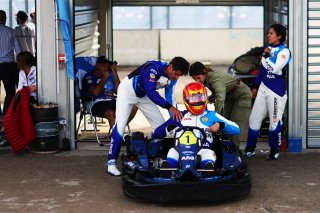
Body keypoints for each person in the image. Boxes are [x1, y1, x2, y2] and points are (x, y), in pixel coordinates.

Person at [107, 56, 190, 176]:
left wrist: (175, 117)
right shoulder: (154, 67)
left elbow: (170, 97)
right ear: (170, 67)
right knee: (120, 126)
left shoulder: (174, 77)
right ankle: (111, 163)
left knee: (161, 128)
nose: (176, 77)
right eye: (176, 74)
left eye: (179, 76)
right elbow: (151, 91)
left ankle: (153, 154)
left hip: (144, 96)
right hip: (127, 92)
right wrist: (169, 107)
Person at [152, 82, 240, 169]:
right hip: (181, 151)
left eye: (200, 98)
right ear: (186, 99)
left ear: (205, 98)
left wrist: (220, 125)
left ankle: (206, 172)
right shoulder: (179, 116)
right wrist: (170, 128)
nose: (197, 102)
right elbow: (156, 134)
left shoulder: (212, 115)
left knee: (209, 154)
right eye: (193, 99)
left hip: (204, 149)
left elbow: (236, 129)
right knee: (172, 151)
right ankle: (168, 169)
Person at [245, 24, 291, 160]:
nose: (268, 35)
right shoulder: (268, 49)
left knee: (274, 122)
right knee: (254, 119)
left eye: (271, 33)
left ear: (279, 36)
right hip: (263, 88)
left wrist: (265, 57)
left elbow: (275, 69)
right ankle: (250, 149)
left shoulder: (284, 51)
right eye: (268, 33)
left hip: (276, 91)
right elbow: (262, 70)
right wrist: (255, 85)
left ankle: (274, 150)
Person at [189, 62, 252, 148]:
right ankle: (225, 148)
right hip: (230, 96)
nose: (197, 81)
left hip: (242, 96)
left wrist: (214, 117)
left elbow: (220, 99)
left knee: (233, 124)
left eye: (198, 78)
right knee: (224, 121)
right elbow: (219, 92)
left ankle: (235, 151)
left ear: (204, 73)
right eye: (195, 79)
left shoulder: (215, 79)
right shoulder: (206, 78)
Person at [81, 56, 120, 129]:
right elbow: (95, 93)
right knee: (111, 113)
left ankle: (118, 132)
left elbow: (119, 92)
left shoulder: (110, 75)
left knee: (130, 106)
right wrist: (104, 78)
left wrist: (115, 73)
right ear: (97, 65)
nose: (105, 68)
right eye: (103, 65)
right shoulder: (89, 76)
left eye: (107, 66)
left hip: (111, 101)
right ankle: (115, 137)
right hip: (96, 103)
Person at [0, 10, 22, 115]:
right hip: (8, 67)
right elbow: (19, 51)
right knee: (10, 92)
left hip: (6, 66)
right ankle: (7, 114)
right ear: (4, 19)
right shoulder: (11, 31)